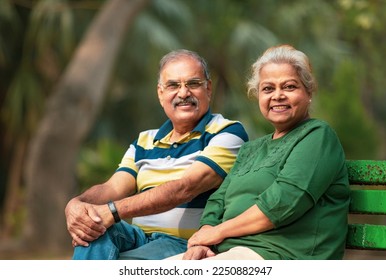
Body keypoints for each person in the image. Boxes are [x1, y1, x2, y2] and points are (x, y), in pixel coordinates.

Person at [167, 44, 351, 260]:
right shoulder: (251, 149)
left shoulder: (317, 136)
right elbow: (218, 201)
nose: (278, 96)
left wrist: (216, 233)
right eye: (268, 89)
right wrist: (203, 241)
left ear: (308, 92)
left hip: (281, 256)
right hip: (227, 253)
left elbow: (281, 205)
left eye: (289, 87)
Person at [65, 49, 248, 260]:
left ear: (208, 88)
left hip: (185, 244)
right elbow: (113, 187)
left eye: (193, 83)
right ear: (160, 94)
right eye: (173, 85)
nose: (183, 93)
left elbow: (185, 188)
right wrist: (77, 204)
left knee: (123, 261)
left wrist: (112, 212)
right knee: (92, 232)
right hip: (139, 236)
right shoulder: (145, 140)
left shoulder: (227, 132)